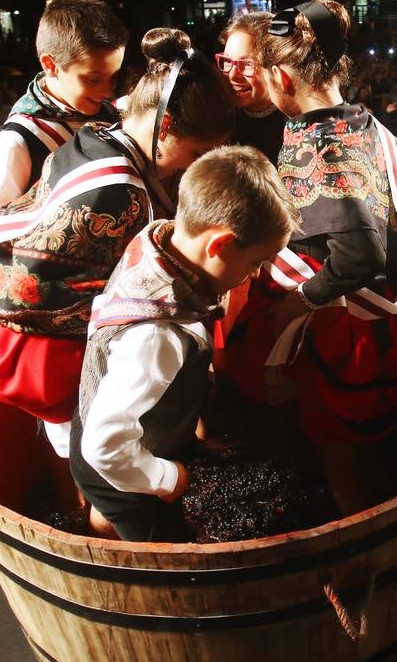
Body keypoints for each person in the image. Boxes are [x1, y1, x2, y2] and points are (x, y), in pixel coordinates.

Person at [0, 28, 235, 457]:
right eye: (196, 151)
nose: (192, 166)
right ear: (164, 126)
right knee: (94, 459)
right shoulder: (121, 192)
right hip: (40, 352)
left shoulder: (100, 134)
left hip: (14, 306)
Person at [223, 0, 397, 453]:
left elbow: (360, 256)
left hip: (358, 319)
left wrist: (299, 302)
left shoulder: (321, 149)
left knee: (338, 442)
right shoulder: (363, 120)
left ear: (282, 77)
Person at [70, 147, 299, 542]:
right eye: (255, 262)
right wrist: (166, 477)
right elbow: (105, 446)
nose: (256, 273)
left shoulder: (162, 239)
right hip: (119, 465)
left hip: (115, 421)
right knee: (164, 543)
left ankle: (102, 520)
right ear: (219, 245)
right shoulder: (157, 336)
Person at [0, 0, 129, 220]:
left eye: (114, 77)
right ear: (50, 65)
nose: (107, 91)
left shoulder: (113, 117)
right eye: (93, 79)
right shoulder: (16, 142)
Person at [217, 11, 287, 165]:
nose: (233, 75)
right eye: (227, 61)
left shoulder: (295, 124)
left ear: (275, 65)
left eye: (247, 64)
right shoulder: (218, 119)